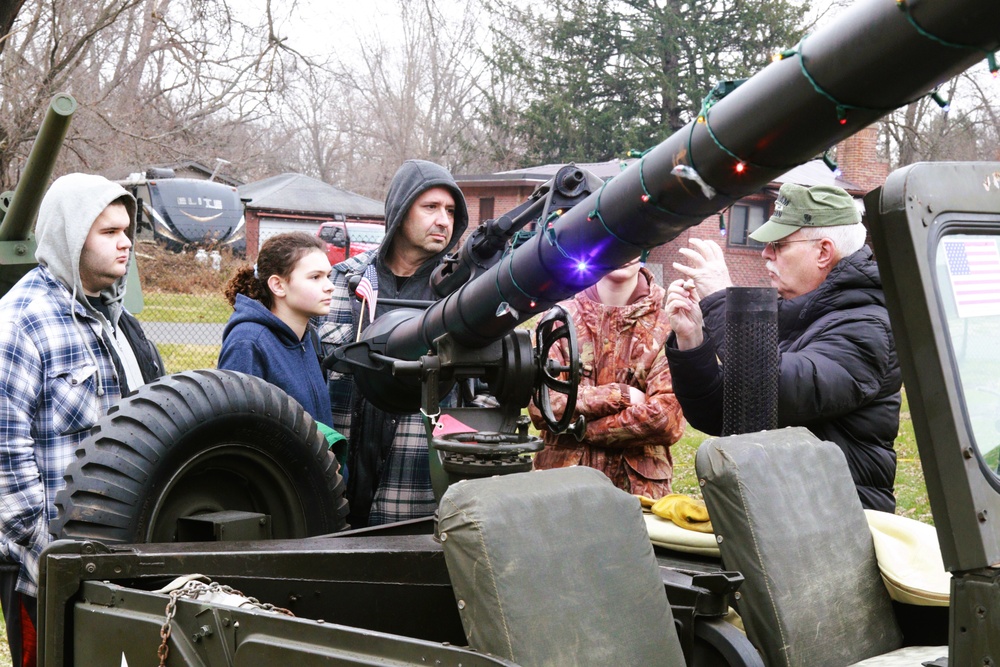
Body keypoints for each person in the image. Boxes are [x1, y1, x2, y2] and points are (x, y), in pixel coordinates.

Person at [0, 173, 163, 665]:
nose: (125, 243)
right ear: (70, 236)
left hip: (121, 565)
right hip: (47, 575)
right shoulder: (20, 323)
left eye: (127, 230)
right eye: (108, 232)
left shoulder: (115, 320)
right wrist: (59, 557)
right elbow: (5, 464)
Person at [664, 183, 901, 512]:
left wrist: (723, 301)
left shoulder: (869, 326)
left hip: (839, 523)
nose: (765, 253)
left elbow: (778, 389)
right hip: (785, 516)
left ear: (823, 251)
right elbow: (720, 414)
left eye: (779, 244)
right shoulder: (794, 314)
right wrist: (692, 341)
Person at [319, 160, 468, 527]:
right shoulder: (345, 279)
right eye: (430, 207)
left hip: (414, 492)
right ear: (401, 212)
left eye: (450, 211)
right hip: (337, 482)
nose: (443, 221)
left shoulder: (463, 295)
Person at [528, 258, 686, 499]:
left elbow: (665, 419)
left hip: (637, 495)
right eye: (616, 242)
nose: (624, 254)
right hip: (560, 489)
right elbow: (544, 406)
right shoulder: (558, 320)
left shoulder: (667, 327)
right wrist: (621, 395)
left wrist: (582, 429)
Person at [219, 232, 336, 428]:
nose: (330, 286)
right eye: (315, 277)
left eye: (328, 276)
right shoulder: (248, 342)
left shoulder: (309, 338)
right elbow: (234, 432)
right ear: (278, 285)